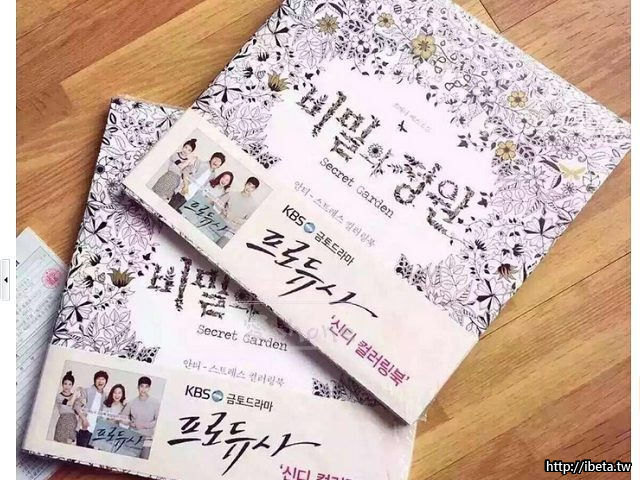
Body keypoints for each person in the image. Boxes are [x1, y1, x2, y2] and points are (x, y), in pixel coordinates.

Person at [121, 376, 160, 460]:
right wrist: (129, 422)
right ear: (138, 387)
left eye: (146, 387)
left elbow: (158, 421)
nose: (143, 389)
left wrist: (144, 425)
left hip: (147, 440)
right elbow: (123, 417)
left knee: (143, 463)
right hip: (132, 438)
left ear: (149, 388)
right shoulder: (131, 402)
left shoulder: (155, 403)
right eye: (142, 386)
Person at [74, 370, 109, 448]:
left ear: (106, 382)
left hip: (94, 431)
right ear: (95, 380)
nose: (100, 381)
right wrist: (84, 419)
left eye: (103, 379)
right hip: (84, 428)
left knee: (89, 453)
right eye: (98, 379)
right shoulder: (87, 391)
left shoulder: (105, 396)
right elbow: (76, 406)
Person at [53, 371, 81, 444]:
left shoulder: (74, 396)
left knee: (68, 444)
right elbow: (69, 403)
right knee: (59, 444)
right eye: (65, 384)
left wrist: (80, 401)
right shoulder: (59, 396)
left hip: (72, 422)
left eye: (69, 384)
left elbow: (77, 411)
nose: (67, 386)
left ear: (72, 385)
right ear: (62, 384)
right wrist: (75, 394)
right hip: (62, 421)